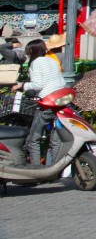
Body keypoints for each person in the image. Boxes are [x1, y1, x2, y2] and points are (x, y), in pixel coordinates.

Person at [12, 35, 66, 166]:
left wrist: (21, 86)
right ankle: (54, 168)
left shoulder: (36, 63)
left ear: (32, 51)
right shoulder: (52, 61)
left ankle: (36, 169)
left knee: (33, 139)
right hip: (60, 101)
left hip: (47, 102)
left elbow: (37, 85)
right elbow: (61, 81)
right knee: (55, 139)